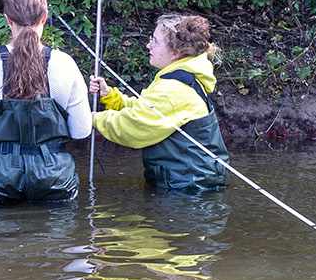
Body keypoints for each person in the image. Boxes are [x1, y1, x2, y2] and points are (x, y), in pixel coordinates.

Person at [0, 0, 92, 203]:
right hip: (54, 180)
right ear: (45, 17)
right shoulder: (64, 63)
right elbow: (81, 131)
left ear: (7, 19)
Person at [88, 14, 228, 192]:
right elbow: (149, 110)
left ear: (175, 53)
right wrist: (110, 97)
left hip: (187, 191)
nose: (148, 45)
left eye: (155, 41)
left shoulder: (172, 89)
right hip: (192, 186)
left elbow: (133, 126)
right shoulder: (181, 78)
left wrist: (93, 119)